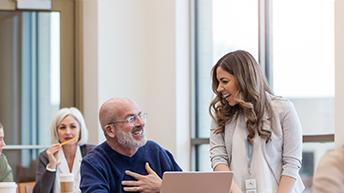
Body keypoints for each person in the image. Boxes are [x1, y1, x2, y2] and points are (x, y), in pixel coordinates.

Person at [209, 50, 305, 193]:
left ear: (244, 79)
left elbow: (292, 163)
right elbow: (218, 159)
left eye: (224, 81)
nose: (219, 88)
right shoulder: (221, 114)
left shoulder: (283, 109)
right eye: (218, 82)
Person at [80, 98, 182, 193]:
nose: (141, 123)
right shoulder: (94, 163)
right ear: (110, 130)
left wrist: (162, 187)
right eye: (131, 119)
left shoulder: (156, 151)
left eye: (140, 116)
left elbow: (187, 188)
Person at [33, 107, 95, 193]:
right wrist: (51, 166)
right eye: (62, 128)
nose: (68, 132)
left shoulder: (92, 153)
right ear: (56, 132)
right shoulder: (46, 156)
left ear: (80, 130)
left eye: (73, 127)